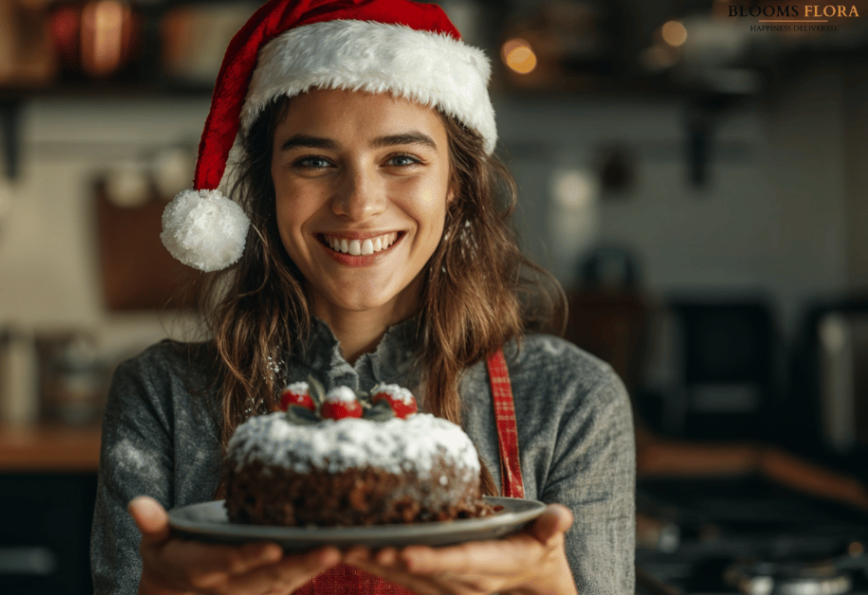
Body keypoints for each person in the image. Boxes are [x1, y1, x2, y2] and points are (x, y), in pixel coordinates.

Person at [90, 1, 635, 594]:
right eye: (314, 161)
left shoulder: (568, 403)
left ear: (455, 183)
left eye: (401, 159)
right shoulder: (163, 396)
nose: (359, 202)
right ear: (269, 184)